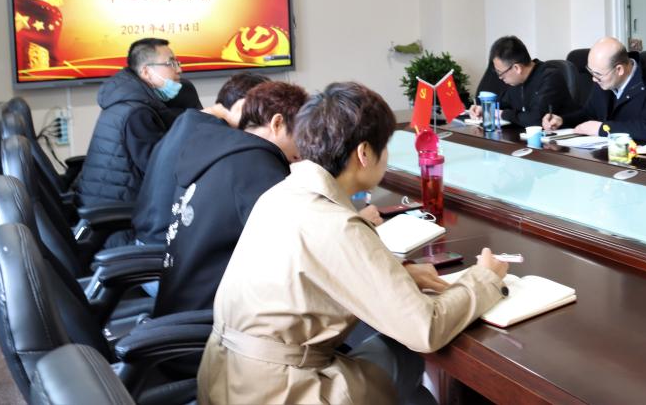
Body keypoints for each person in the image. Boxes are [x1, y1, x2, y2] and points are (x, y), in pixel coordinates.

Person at [198, 82, 509, 404]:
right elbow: (424, 329)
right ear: (364, 153)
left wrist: (401, 274)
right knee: (404, 351)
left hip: (225, 376)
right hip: (281, 391)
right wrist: (484, 278)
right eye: (384, 147)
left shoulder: (280, 193)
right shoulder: (337, 223)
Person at [154, 81, 382, 316]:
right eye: (303, 133)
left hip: (180, 302)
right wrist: (357, 221)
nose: (306, 145)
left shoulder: (222, 149)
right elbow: (309, 249)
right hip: (215, 316)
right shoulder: (256, 168)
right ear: (277, 123)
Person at [132, 72, 270, 247]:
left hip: (148, 236)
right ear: (242, 106)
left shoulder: (188, 122)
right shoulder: (215, 136)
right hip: (166, 247)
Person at [75, 38, 200, 208]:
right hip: (116, 211)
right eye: (171, 63)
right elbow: (162, 171)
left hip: (112, 198)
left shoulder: (130, 97)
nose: (179, 69)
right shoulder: (136, 113)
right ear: (146, 72)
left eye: (177, 63)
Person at [542, 37, 646, 144]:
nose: (594, 79)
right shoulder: (604, 80)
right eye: (591, 72)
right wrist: (562, 121)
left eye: (598, 74)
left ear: (619, 70)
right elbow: (589, 114)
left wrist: (602, 128)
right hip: (610, 154)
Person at [468, 36, 578, 127]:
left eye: (501, 73)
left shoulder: (550, 77)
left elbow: (536, 119)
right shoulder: (516, 81)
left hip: (558, 141)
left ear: (517, 68)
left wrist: (500, 114)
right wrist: (484, 109)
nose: (500, 78)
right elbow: (504, 105)